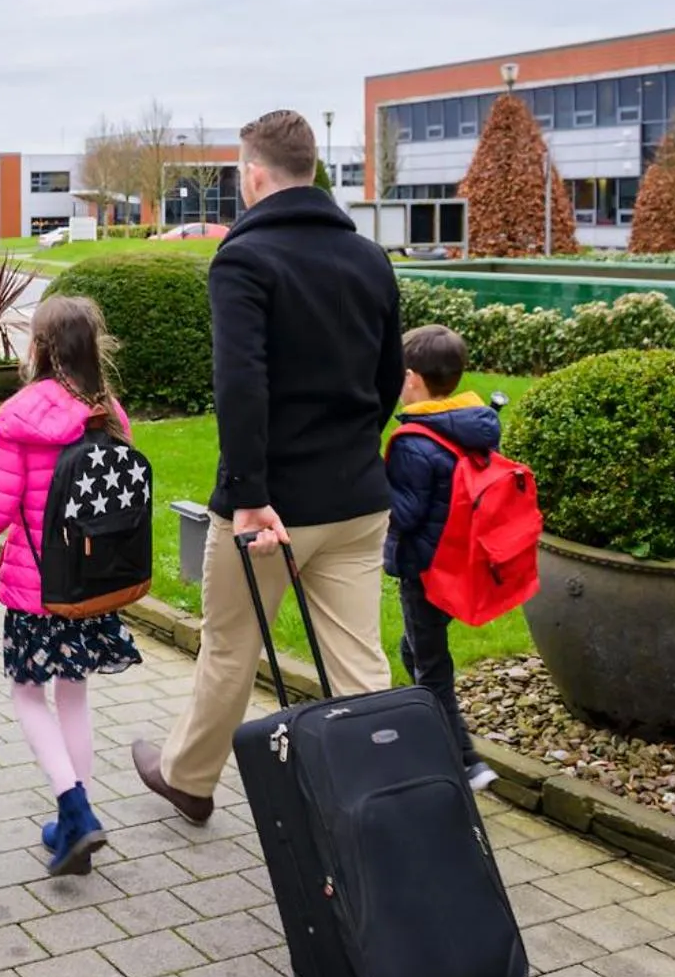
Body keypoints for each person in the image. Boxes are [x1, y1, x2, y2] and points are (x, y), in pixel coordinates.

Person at [132, 109, 403, 824]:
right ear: (311, 170)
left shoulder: (245, 259)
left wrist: (249, 493)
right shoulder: (370, 259)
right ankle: (390, 799)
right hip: (356, 499)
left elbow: (242, 384)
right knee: (359, 663)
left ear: (254, 175)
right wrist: (350, 446)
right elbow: (388, 377)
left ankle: (190, 777)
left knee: (230, 645)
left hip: (269, 506)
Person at [0, 296, 144, 876]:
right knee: (74, 694)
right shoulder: (109, 413)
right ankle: (78, 816)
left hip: (37, 590)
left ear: (41, 348)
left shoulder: (19, 415)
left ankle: (75, 811)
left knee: (28, 693)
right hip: (93, 584)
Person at [385, 323, 499, 792]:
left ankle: (465, 762)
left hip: (426, 571)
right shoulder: (473, 424)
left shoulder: (415, 442)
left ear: (412, 379)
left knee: (432, 668)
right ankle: (430, 727)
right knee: (413, 650)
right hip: (463, 563)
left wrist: (371, 480)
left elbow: (405, 514)